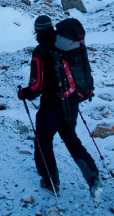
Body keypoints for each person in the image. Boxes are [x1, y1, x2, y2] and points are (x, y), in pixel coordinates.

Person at [18, 15, 103, 198]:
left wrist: (23, 93)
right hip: (71, 104)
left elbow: (35, 88)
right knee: (71, 139)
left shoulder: (41, 51)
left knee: (43, 142)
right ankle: (92, 177)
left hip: (51, 107)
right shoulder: (65, 47)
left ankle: (50, 182)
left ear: (38, 31)